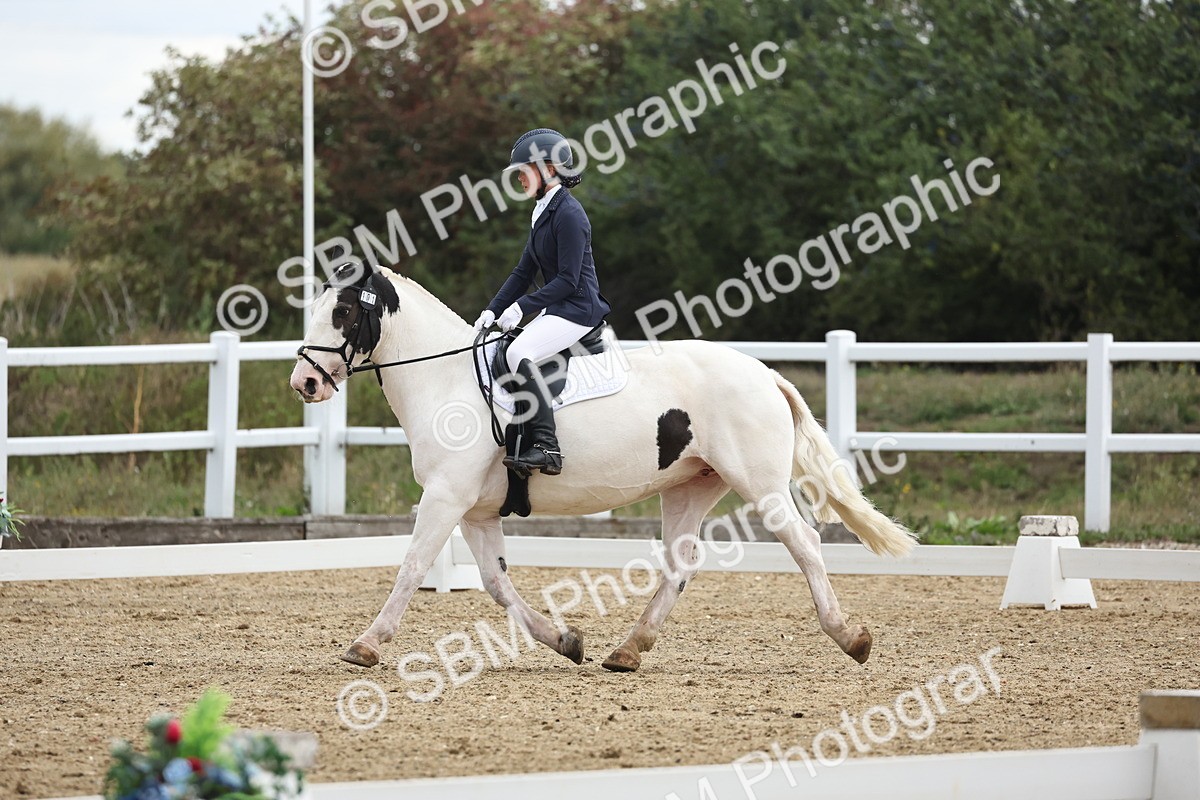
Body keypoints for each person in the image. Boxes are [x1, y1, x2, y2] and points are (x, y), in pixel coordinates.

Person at [474, 128, 611, 476]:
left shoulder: (570, 215)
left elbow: (568, 280)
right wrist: (492, 309)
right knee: (500, 344)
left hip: (579, 309)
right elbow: (523, 272)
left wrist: (522, 308)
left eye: (524, 170)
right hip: (560, 308)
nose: (519, 178)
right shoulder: (542, 211)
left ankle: (548, 446)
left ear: (548, 168)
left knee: (518, 352)